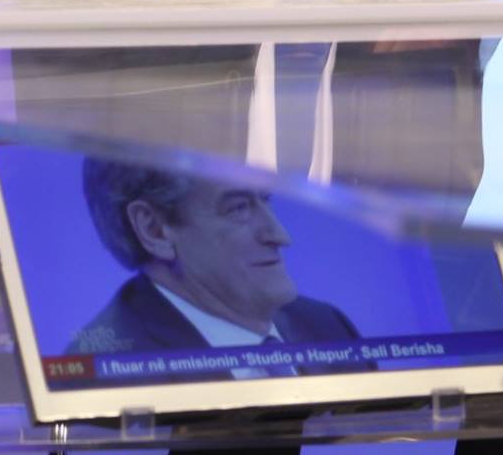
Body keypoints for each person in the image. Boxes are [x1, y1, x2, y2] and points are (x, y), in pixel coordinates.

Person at [66, 159, 368, 377]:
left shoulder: (327, 327)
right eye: (239, 208)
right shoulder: (103, 373)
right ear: (154, 230)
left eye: (265, 200)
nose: (280, 236)